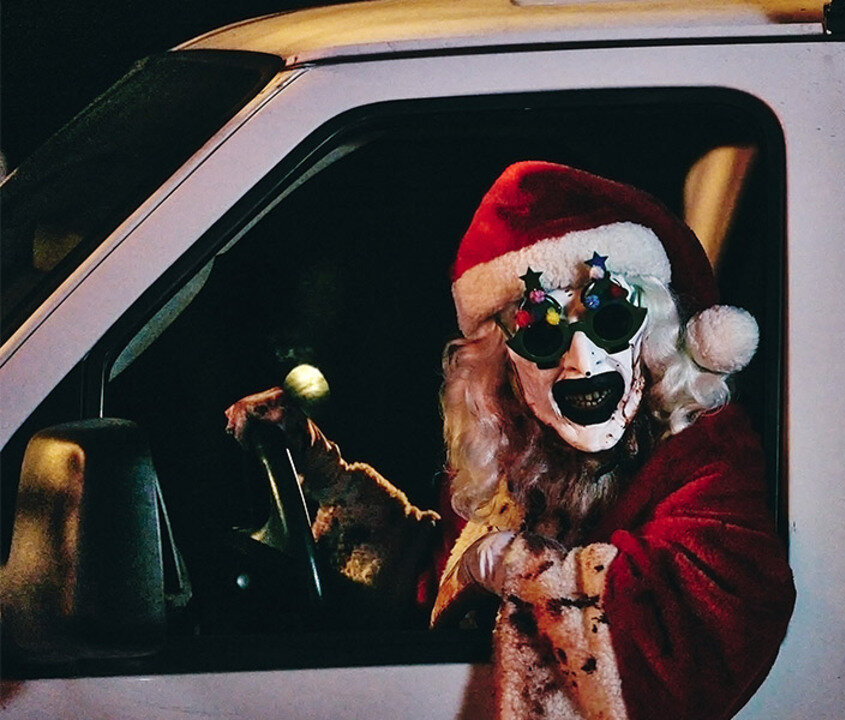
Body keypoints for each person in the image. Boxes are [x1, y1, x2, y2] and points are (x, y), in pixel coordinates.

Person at [226, 161, 794, 720]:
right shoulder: (519, 456)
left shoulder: (699, 452)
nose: (581, 361)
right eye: (541, 331)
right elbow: (437, 582)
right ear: (503, 360)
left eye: (610, 319)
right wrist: (323, 474)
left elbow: (713, 618)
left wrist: (513, 565)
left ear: (654, 332)